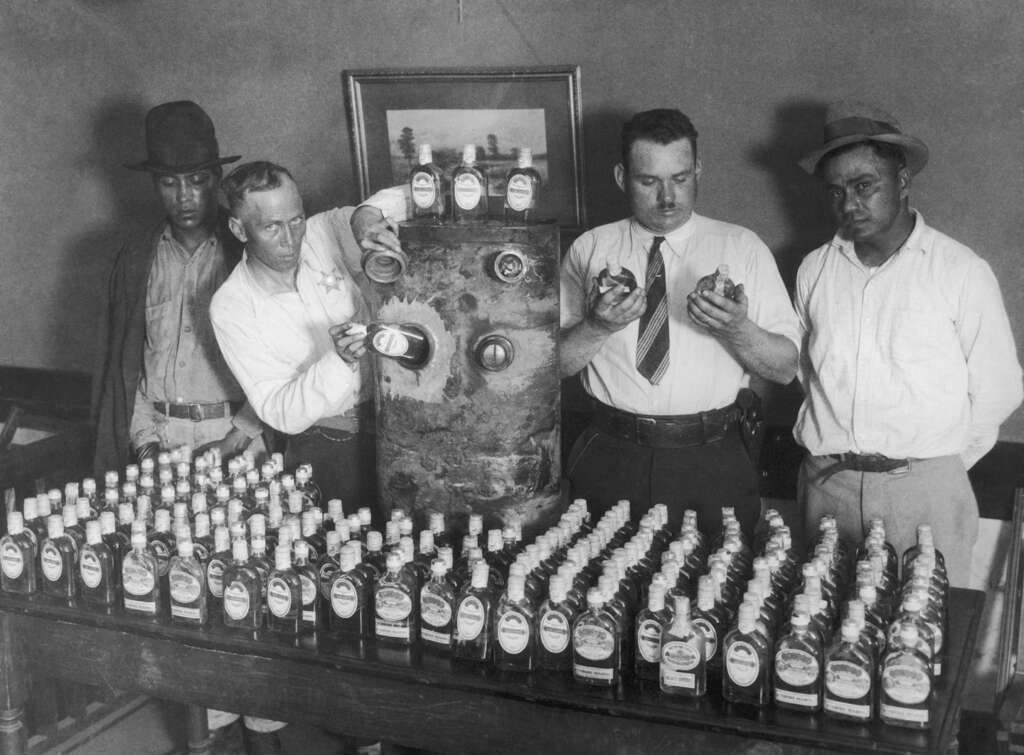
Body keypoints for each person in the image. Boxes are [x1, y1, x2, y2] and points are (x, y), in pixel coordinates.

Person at [793, 101, 1023, 586]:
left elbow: (1001, 387)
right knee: (821, 636)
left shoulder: (960, 270)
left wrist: (934, 469)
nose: (849, 204)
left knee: (923, 646)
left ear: (901, 182)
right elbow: (806, 373)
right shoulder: (815, 269)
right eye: (836, 191)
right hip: (826, 488)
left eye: (864, 186)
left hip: (925, 494)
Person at [560, 108, 800, 535]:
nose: (667, 198)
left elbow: (784, 369)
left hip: (711, 460)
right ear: (621, 177)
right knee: (595, 587)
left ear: (699, 171)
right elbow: (553, 367)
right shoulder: (590, 249)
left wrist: (736, 329)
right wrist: (597, 327)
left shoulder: (741, 247)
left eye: (681, 178)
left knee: (716, 591)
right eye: (649, 181)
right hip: (609, 455)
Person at [92, 100, 263, 475]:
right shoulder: (137, 259)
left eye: (197, 181)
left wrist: (237, 437)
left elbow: (283, 360)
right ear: (155, 185)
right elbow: (126, 364)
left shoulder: (249, 255)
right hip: (160, 444)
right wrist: (145, 445)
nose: (184, 197)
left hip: (239, 441)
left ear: (217, 178)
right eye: (169, 183)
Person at [210, 160, 380, 510]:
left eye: (296, 220)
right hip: (327, 448)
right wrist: (339, 360)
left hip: (393, 425)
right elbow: (277, 409)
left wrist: (369, 221)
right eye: (271, 227)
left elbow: (385, 207)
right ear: (239, 229)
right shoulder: (232, 306)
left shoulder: (322, 233)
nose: (290, 241)